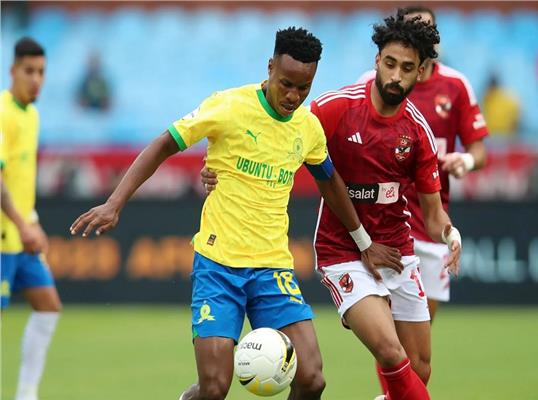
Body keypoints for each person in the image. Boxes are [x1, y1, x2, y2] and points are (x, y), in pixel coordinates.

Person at [69, 27, 401, 400]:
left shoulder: (307, 127)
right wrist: (115, 203)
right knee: (214, 389)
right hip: (218, 265)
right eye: (286, 84)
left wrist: (363, 241)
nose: (293, 96)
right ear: (270, 67)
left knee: (312, 378)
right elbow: (164, 144)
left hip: (272, 269)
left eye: (303, 88)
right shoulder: (228, 106)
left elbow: (330, 181)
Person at [201, 10, 462, 400]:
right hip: (343, 252)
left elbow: (433, 212)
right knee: (391, 353)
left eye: (407, 68)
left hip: (397, 252)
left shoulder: (417, 132)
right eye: (390, 63)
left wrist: (450, 233)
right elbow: (279, 136)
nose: (395, 75)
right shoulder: (337, 108)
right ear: (377, 60)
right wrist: (220, 170)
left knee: (419, 367)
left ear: (421, 72)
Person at [357, 5, 487, 323]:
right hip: (382, 223)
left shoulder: (455, 85)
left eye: (428, 30)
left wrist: (466, 160)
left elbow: (479, 151)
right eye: (413, 29)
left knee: (420, 329)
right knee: (386, 334)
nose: (420, 36)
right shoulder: (374, 83)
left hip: (431, 221)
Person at [1, 37, 62, 400]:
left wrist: (32, 221)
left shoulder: (32, 115)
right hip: (4, 237)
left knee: (48, 307)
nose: (36, 79)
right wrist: (23, 225)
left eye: (41, 72)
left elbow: (20, 179)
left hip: (21, 235)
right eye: (29, 71)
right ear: (13, 71)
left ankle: (26, 394)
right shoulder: (3, 112)